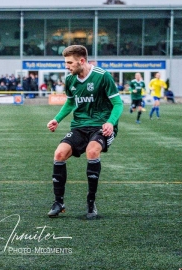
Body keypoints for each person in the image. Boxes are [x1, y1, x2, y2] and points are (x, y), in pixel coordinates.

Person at [46, 45, 123, 219]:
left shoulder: (103, 77)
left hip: (101, 126)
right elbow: (70, 103)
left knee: (92, 150)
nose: (67, 66)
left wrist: (110, 122)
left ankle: (91, 203)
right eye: (66, 63)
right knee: (59, 154)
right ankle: (59, 202)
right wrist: (56, 119)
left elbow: (118, 104)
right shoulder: (71, 79)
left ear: (81, 61)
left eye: (69, 63)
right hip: (79, 126)